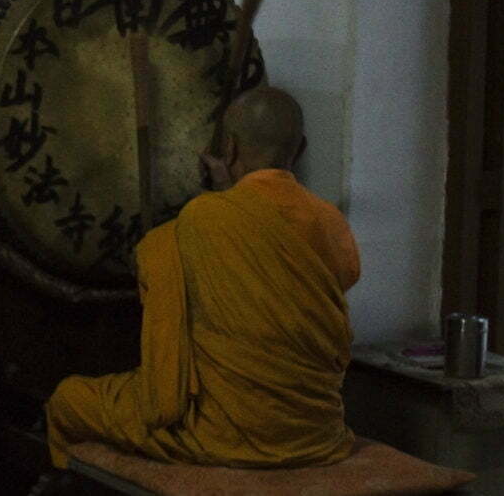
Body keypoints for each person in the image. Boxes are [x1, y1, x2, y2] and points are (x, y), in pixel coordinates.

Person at [45, 86, 361, 471]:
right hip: (314, 432)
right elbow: (296, 281)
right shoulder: (330, 222)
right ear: (302, 148)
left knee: (67, 399)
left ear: (228, 148)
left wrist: (220, 198)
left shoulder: (202, 219)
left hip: (223, 432)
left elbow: (147, 262)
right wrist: (230, 195)